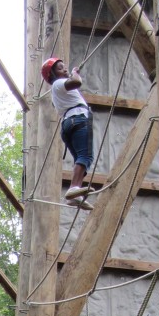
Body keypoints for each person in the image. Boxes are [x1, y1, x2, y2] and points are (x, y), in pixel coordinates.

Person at [41, 56, 97, 211]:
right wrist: (74, 73)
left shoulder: (56, 92)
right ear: (52, 75)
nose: (64, 69)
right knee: (85, 156)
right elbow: (77, 82)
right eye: (60, 68)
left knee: (82, 157)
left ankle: (75, 194)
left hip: (68, 123)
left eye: (64, 67)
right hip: (78, 119)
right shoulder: (58, 84)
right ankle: (74, 188)